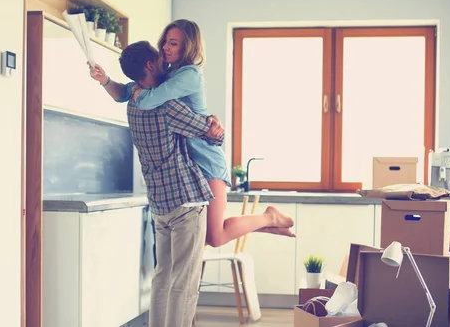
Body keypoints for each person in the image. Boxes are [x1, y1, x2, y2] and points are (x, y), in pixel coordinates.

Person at [89, 19, 295, 246]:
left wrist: (137, 89)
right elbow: (123, 94)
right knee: (206, 235)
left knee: (213, 237)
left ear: (187, 46)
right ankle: (268, 223)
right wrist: (105, 80)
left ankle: (269, 217)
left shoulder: (189, 75)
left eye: (174, 43)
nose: (166, 47)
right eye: (166, 42)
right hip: (188, 164)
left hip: (206, 157)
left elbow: (148, 100)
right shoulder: (166, 74)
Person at [117, 41, 222, 327]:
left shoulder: (133, 105)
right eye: (158, 56)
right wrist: (214, 121)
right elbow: (212, 135)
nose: (164, 58)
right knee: (185, 282)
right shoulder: (168, 107)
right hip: (186, 201)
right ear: (150, 66)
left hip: (160, 205)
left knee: (162, 276)